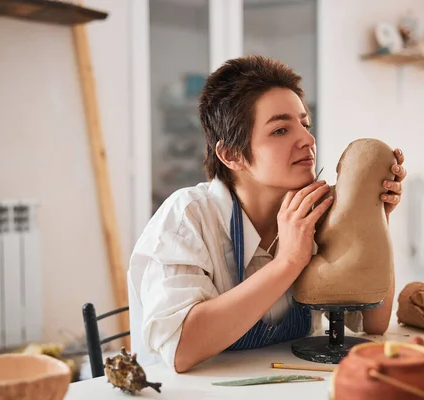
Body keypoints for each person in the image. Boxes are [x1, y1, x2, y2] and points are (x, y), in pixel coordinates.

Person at [127, 55, 406, 373]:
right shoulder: (186, 219)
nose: (307, 140)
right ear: (231, 154)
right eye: (280, 130)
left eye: (305, 124)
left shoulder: (318, 213)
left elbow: (373, 323)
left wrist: (376, 221)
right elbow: (182, 348)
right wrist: (289, 262)